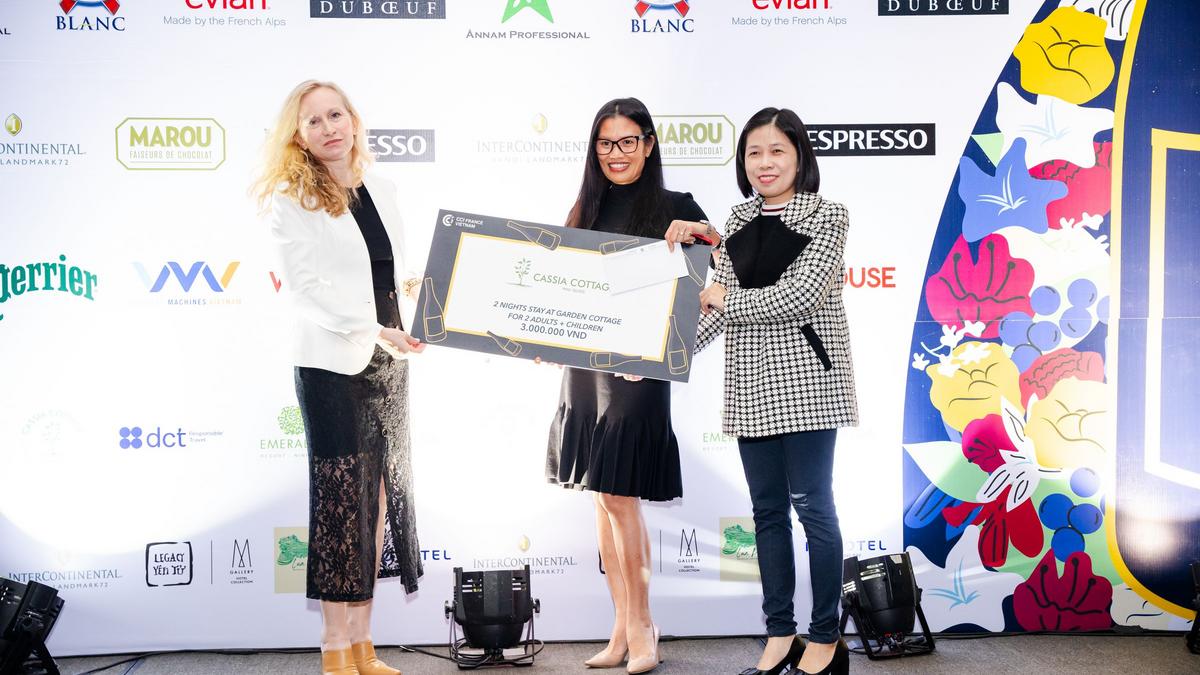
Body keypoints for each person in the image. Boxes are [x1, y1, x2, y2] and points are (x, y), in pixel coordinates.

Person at [666, 107, 858, 675]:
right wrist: (660, 359)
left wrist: (724, 298)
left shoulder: (828, 215)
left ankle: (825, 640)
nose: (765, 162)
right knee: (768, 514)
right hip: (751, 387)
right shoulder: (738, 218)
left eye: (777, 151)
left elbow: (798, 297)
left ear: (799, 157)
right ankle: (779, 635)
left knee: (815, 510)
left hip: (810, 386)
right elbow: (713, 310)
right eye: (754, 152)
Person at [255, 80, 423, 675]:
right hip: (331, 365)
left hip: (388, 364)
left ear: (353, 120)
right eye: (314, 121)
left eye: (336, 114)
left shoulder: (383, 188)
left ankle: (363, 644)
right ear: (298, 136)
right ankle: (334, 647)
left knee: (375, 500)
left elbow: (394, 274)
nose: (329, 128)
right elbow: (305, 291)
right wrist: (374, 329)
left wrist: (422, 312)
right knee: (339, 504)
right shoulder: (291, 199)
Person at [545, 97, 708, 675]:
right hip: (585, 370)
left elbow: (720, 262)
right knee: (601, 494)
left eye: (628, 141)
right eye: (605, 143)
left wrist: (701, 232)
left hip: (639, 369)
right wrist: (543, 338)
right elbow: (561, 292)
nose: (616, 154)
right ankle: (621, 627)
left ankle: (642, 625)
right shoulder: (582, 210)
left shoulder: (675, 207)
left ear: (648, 144)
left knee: (618, 494)